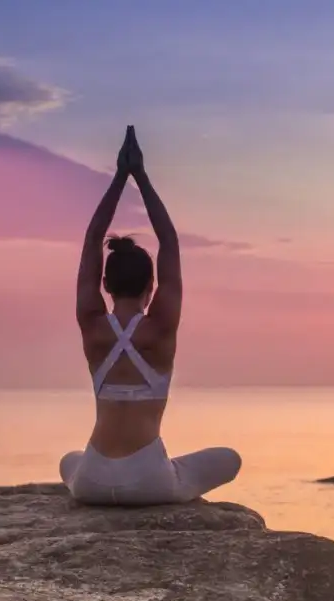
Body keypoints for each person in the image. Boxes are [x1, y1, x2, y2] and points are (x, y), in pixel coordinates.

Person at [59, 126, 241, 505]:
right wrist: (140, 176)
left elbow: (93, 239)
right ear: (151, 287)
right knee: (230, 459)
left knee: (68, 461)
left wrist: (119, 177)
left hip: (92, 481)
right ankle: (162, 469)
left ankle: (110, 473)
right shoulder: (159, 328)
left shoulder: (92, 324)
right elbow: (169, 242)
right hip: (148, 483)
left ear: (105, 285)